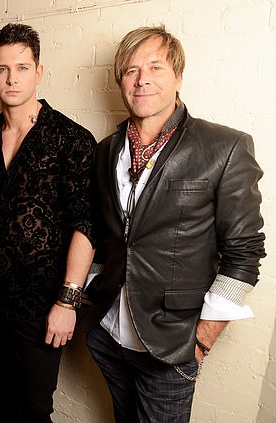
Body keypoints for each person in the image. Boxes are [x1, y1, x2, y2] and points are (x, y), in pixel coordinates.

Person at [77, 25, 266, 423]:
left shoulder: (225, 147)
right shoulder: (105, 150)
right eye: (130, 70)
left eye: (155, 67)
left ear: (178, 75)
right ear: (120, 82)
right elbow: (104, 234)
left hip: (170, 346)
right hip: (108, 333)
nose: (142, 79)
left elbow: (244, 254)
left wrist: (202, 339)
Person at [0, 23, 97, 422]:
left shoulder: (70, 138)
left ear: (39, 72)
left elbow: (86, 225)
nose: (12, 78)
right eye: (3, 69)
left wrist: (67, 301)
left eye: (22, 68)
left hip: (41, 303)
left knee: (34, 407)